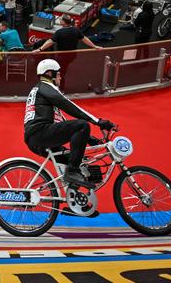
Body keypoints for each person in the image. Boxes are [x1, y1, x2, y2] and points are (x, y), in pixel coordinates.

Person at [24, 59, 115, 187]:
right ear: (50, 73)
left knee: (78, 161)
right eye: (59, 74)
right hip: (40, 133)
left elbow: (61, 121)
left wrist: (90, 139)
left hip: (37, 136)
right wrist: (98, 121)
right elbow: (68, 105)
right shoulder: (45, 87)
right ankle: (72, 172)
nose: (61, 78)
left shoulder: (40, 90)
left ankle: (74, 201)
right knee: (82, 125)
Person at [36, 15, 102, 85]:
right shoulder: (76, 30)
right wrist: (95, 46)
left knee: (60, 73)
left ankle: (60, 88)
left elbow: (50, 42)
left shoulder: (59, 32)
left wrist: (40, 49)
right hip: (72, 56)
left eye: (61, 19)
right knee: (63, 69)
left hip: (62, 57)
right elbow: (85, 39)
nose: (59, 20)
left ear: (64, 22)